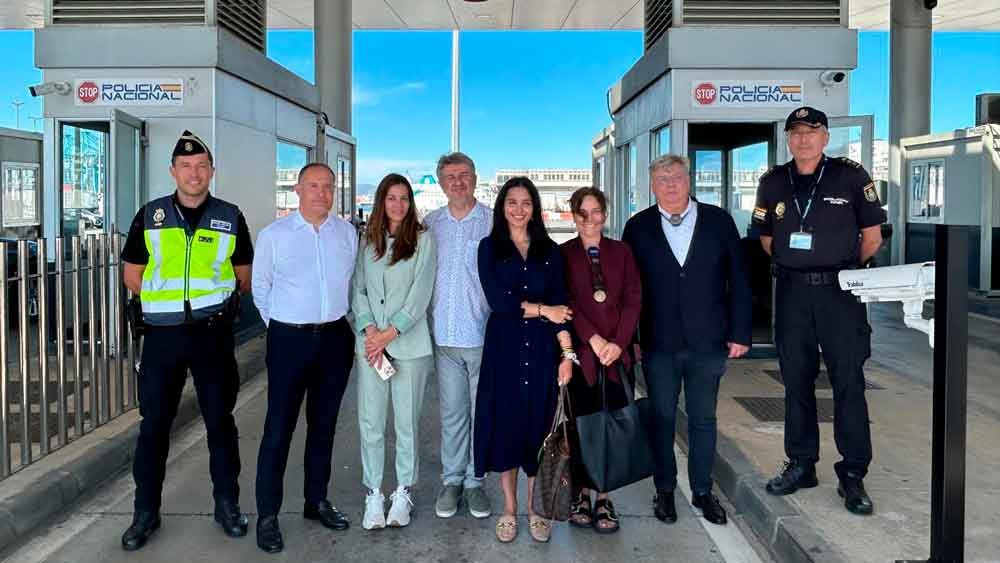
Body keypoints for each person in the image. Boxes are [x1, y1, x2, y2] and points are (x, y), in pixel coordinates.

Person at [119, 130, 253, 551]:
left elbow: (243, 275)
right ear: (173, 171)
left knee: (220, 423)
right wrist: (168, 303)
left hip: (212, 336)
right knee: (154, 426)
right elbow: (132, 274)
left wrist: (210, 303)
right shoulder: (151, 215)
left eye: (201, 166)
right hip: (163, 337)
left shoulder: (230, 216)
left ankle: (227, 505)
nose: (194, 173)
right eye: (186, 166)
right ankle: (145, 513)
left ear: (211, 171)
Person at [753, 106, 885, 516]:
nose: (803, 139)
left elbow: (872, 237)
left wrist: (835, 268)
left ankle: (853, 474)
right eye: (795, 132)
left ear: (826, 137)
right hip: (792, 294)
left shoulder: (851, 176)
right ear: (788, 139)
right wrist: (799, 265)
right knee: (796, 381)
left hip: (839, 295)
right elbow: (765, 239)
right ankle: (802, 463)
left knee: (848, 382)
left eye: (812, 131)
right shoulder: (773, 181)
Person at [622, 154, 752, 527]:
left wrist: (740, 333)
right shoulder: (638, 227)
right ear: (651, 185)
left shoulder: (718, 221)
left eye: (677, 177)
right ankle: (665, 490)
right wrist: (631, 338)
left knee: (703, 419)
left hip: (708, 342)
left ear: (689, 180)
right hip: (658, 344)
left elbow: (740, 280)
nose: (671, 184)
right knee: (662, 418)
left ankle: (702, 490)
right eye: (662, 179)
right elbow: (629, 290)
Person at [252, 162, 358, 553]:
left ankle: (316, 500)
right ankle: (267, 515)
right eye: (313, 186)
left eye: (328, 186)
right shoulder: (275, 235)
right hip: (289, 339)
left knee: (324, 426)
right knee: (278, 429)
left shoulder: (346, 234)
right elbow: (260, 289)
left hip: (334, 338)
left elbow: (352, 283)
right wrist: (283, 327)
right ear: (297, 190)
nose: (321, 193)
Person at [474, 177, 574, 544]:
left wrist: (567, 355)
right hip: (505, 349)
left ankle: (535, 510)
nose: (519, 210)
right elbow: (499, 303)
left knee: (538, 428)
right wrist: (543, 309)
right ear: (502, 207)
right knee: (507, 427)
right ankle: (509, 510)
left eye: (526, 203)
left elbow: (563, 306)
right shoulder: (489, 248)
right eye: (512, 202)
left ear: (535, 208)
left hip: (544, 351)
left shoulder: (551, 250)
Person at [351, 173, 437, 530]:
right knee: (371, 422)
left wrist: (391, 331)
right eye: (391, 198)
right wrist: (371, 330)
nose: (398, 205)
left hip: (409, 345)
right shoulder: (366, 240)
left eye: (404, 198)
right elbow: (358, 288)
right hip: (371, 346)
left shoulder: (422, 240)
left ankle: (402, 491)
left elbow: (421, 293)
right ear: (381, 201)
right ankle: (374, 493)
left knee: (406, 423)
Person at [560, 187, 642, 534]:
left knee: (612, 428)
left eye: (597, 212)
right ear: (573, 216)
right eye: (583, 212)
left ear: (605, 215)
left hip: (617, 356)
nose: (590, 219)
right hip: (583, 355)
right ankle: (580, 493)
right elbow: (566, 303)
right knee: (581, 427)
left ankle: (604, 496)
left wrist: (618, 343)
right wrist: (593, 340)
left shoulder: (621, 251)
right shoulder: (562, 254)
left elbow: (632, 299)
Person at [423, 152, 493, 520]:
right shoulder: (431, 224)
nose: (458, 182)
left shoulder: (493, 222)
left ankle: (475, 482)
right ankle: (452, 480)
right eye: (450, 176)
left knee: (481, 414)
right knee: (452, 413)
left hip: (483, 334)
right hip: (445, 337)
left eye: (464, 175)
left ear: (475, 178)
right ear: (440, 182)